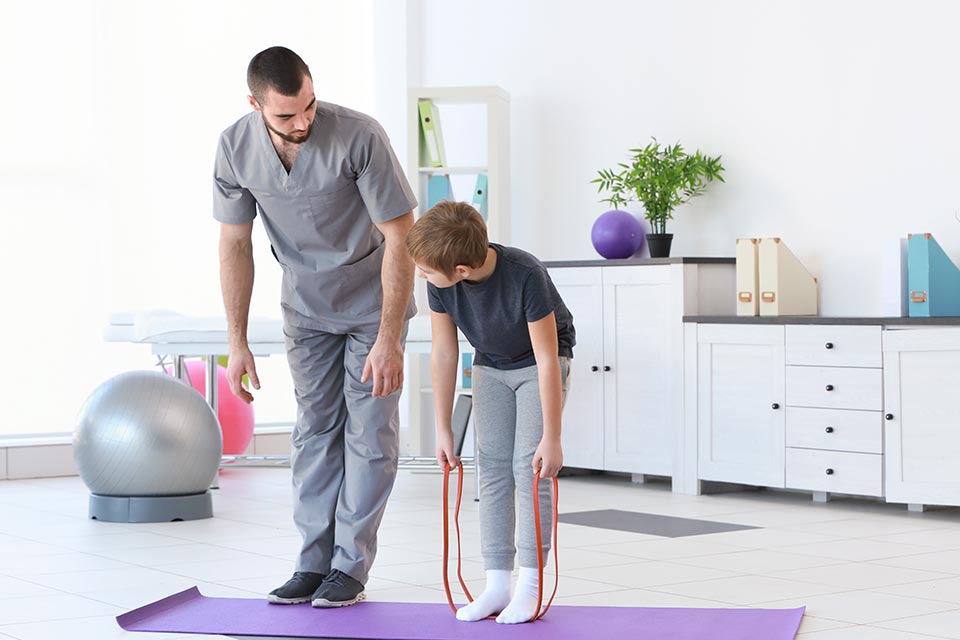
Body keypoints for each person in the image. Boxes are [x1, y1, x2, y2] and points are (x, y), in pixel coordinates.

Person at [213, 46, 417, 608]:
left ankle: (349, 568)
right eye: (285, 115)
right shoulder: (234, 148)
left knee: (370, 434)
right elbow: (235, 243)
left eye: (308, 106)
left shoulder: (359, 135)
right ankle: (312, 563)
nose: (302, 122)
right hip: (305, 308)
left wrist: (390, 338)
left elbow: (402, 237)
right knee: (315, 432)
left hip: (373, 305)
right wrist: (238, 343)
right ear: (255, 105)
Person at [405, 201, 576, 624]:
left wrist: (551, 438)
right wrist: (444, 429)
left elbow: (548, 360)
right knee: (493, 469)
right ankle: (497, 583)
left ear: (461, 269)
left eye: (426, 271)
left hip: (540, 363)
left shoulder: (525, 274)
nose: (421, 275)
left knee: (529, 469)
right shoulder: (440, 281)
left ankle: (530, 586)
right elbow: (445, 353)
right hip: (491, 365)